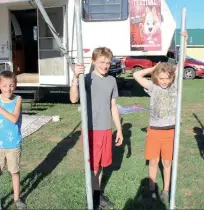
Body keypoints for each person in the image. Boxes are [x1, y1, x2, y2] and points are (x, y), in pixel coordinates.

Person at [132, 30, 188, 204]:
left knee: (167, 162)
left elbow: (181, 61)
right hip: (154, 130)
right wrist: (154, 68)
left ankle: (166, 189)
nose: (164, 81)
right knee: (153, 161)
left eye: (167, 78)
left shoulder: (174, 87)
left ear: (172, 78)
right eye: (161, 78)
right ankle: (151, 188)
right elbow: (136, 75)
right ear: (157, 77)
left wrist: (184, 41)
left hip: (170, 130)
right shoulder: (153, 87)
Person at [70, 47, 123, 210]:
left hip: (106, 129)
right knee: (92, 166)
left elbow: (113, 106)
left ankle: (97, 195)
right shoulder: (86, 79)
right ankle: (91, 200)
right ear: (93, 62)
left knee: (100, 166)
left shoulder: (112, 81)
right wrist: (74, 78)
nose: (105, 65)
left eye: (108, 62)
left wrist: (119, 129)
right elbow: (73, 99)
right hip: (91, 131)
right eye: (102, 62)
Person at [0, 70, 26, 210]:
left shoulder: (18, 99)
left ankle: (16, 199)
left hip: (13, 144)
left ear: (15, 85)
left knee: (14, 171)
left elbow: (14, 118)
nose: (8, 88)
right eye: (4, 85)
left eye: (11, 85)